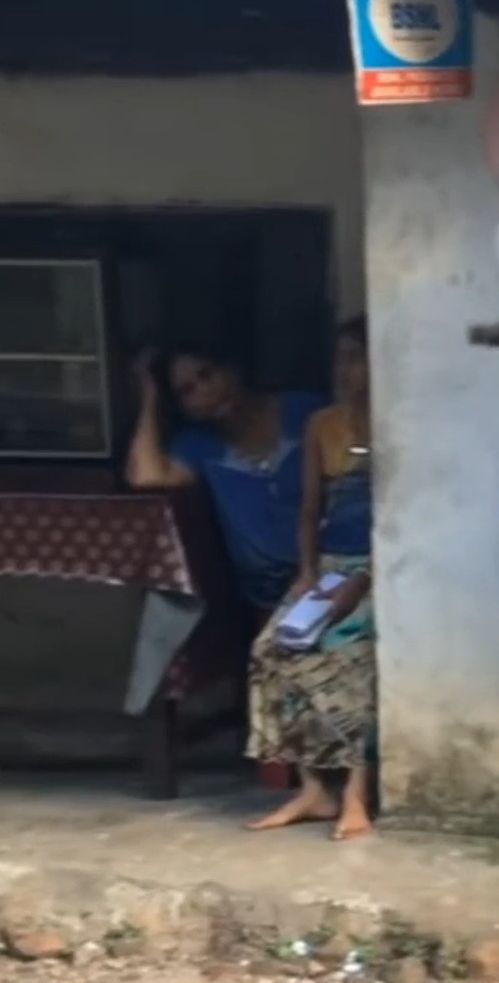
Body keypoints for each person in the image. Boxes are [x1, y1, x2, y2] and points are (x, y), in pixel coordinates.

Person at [244, 317, 379, 840]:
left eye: (358, 357)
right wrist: (306, 575)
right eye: (342, 358)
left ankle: (355, 797)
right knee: (274, 651)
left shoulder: (397, 423)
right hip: (327, 567)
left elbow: (401, 516)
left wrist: (363, 580)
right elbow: (309, 510)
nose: (348, 370)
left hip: (377, 570)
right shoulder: (323, 425)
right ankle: (312, 790)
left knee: (351, 662)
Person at [123, 339, 326, 622]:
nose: (204, 392)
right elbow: (145, 477)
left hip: (332, 578)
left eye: (207, 374)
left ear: (232, 368)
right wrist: (149, 394)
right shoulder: (198, 446)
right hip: (269, 601)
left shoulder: (304, 413)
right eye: (187, 391)